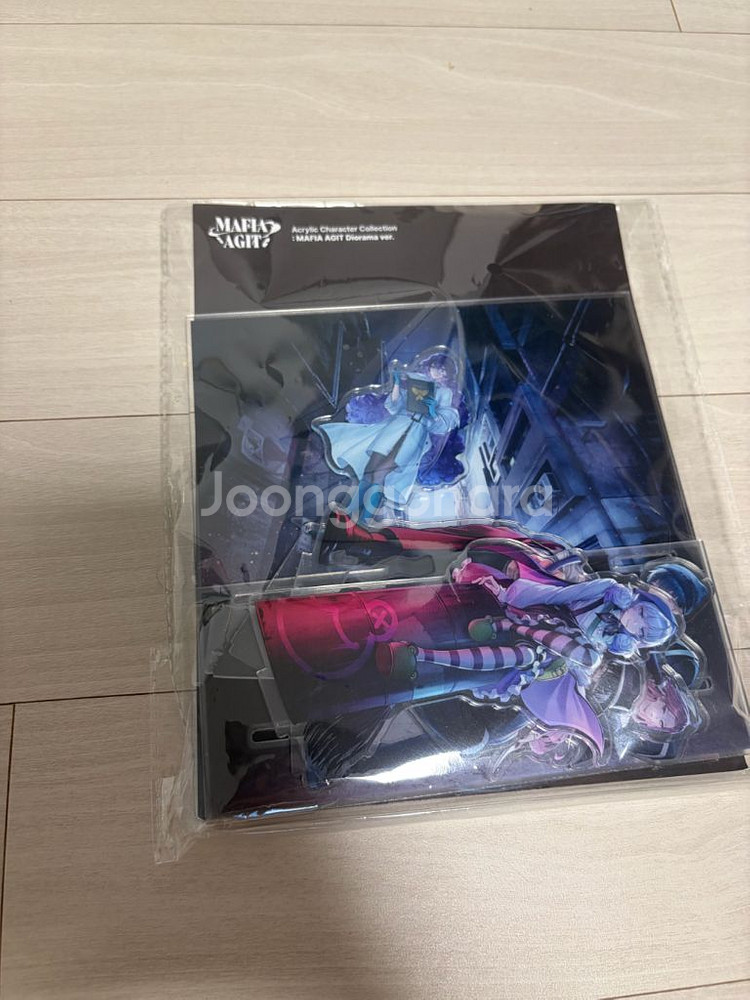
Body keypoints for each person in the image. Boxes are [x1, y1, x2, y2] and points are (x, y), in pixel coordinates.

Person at [315, 352, 461, 522]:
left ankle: (364, 520)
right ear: (430, 367)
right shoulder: (418, 382)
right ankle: (350, 512)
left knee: (380, 473)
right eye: (436, 367)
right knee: (369, 470)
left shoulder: (444, 393)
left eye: (443, 371)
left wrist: (433, 412)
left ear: (448, 376)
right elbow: (394, 406)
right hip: (395, 427)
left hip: (416, 435)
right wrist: (397, 385)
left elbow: (443, 424)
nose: (438, 372)